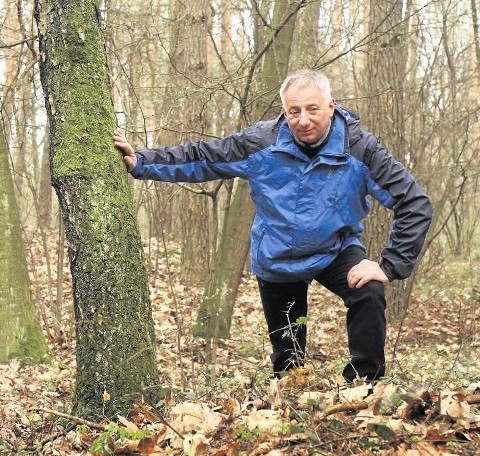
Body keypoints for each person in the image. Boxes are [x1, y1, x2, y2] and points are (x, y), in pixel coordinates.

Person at [113, 69, 432, 383]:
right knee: (289, 365)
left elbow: (414, 203)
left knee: (369, 292)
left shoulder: (360, 149)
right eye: (294, 111)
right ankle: (291, 402)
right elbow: (203, 158)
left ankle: (365, 386)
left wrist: (389, 265)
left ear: (331, 106)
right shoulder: (261, 143)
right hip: (278, 255)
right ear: (284, 112)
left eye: (313, 109)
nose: (303, 120)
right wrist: (143, 161)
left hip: (336, 248)